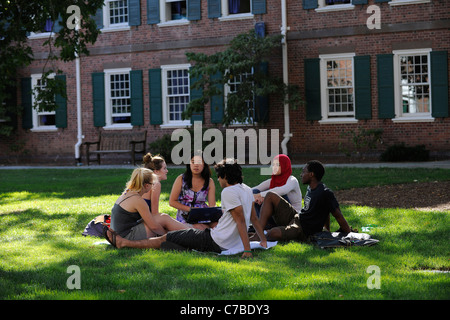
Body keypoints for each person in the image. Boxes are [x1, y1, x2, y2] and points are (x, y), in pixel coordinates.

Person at [104, 158, 268, 259]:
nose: (218, 180)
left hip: (214, 241)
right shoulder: (246, 189)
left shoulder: (228, 191)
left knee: (166, 238)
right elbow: (253, 218)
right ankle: (175, 240)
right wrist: (263, 240)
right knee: (176, 238)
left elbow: (240, 220)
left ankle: (125, 243)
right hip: (218, 239)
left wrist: (247, 250)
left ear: (225, 176)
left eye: (218, 177)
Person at [251, 160, 351, 242]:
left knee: (273, 233)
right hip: (296, 217)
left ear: (311, 174)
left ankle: (262, 233)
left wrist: (348, 233)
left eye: (304, 172)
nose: (301, 174)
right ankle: (258, 234)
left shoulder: (325, 192)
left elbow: (337, 214)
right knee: (270, 195)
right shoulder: (310, 188)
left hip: (303, 230)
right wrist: (327, 229)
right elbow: (326, 211)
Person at [108, 168, 167, 241]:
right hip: (125, 237)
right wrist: (167, 236)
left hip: (117, 235)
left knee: (161, 217)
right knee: (163, 218)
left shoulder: (127, 193)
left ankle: (183, 231)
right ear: (146, 185)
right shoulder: (138, 200)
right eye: (153, 184)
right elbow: (154, 227)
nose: (153, 186)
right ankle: (181, 233)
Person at [142, 153, 193, 231]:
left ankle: (190, 231)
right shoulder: (155, 184)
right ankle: (191, 231)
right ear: (156, 171)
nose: (167, 171)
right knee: (166, 218)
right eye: (164, 168)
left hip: (139, 220)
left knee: (168, 220)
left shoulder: (147, 182)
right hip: (142, 223)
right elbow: (155, 213)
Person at [169, 151, 216, 224]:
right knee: (198, 228)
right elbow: (172, 202)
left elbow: (212, 205)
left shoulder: (209, 182)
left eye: (199, 162)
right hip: (185, 216)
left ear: (204, 164)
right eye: (193, 162)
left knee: (216, 226)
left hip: (202, 215)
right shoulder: (181, 179)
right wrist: (191, 209)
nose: (196, 165)